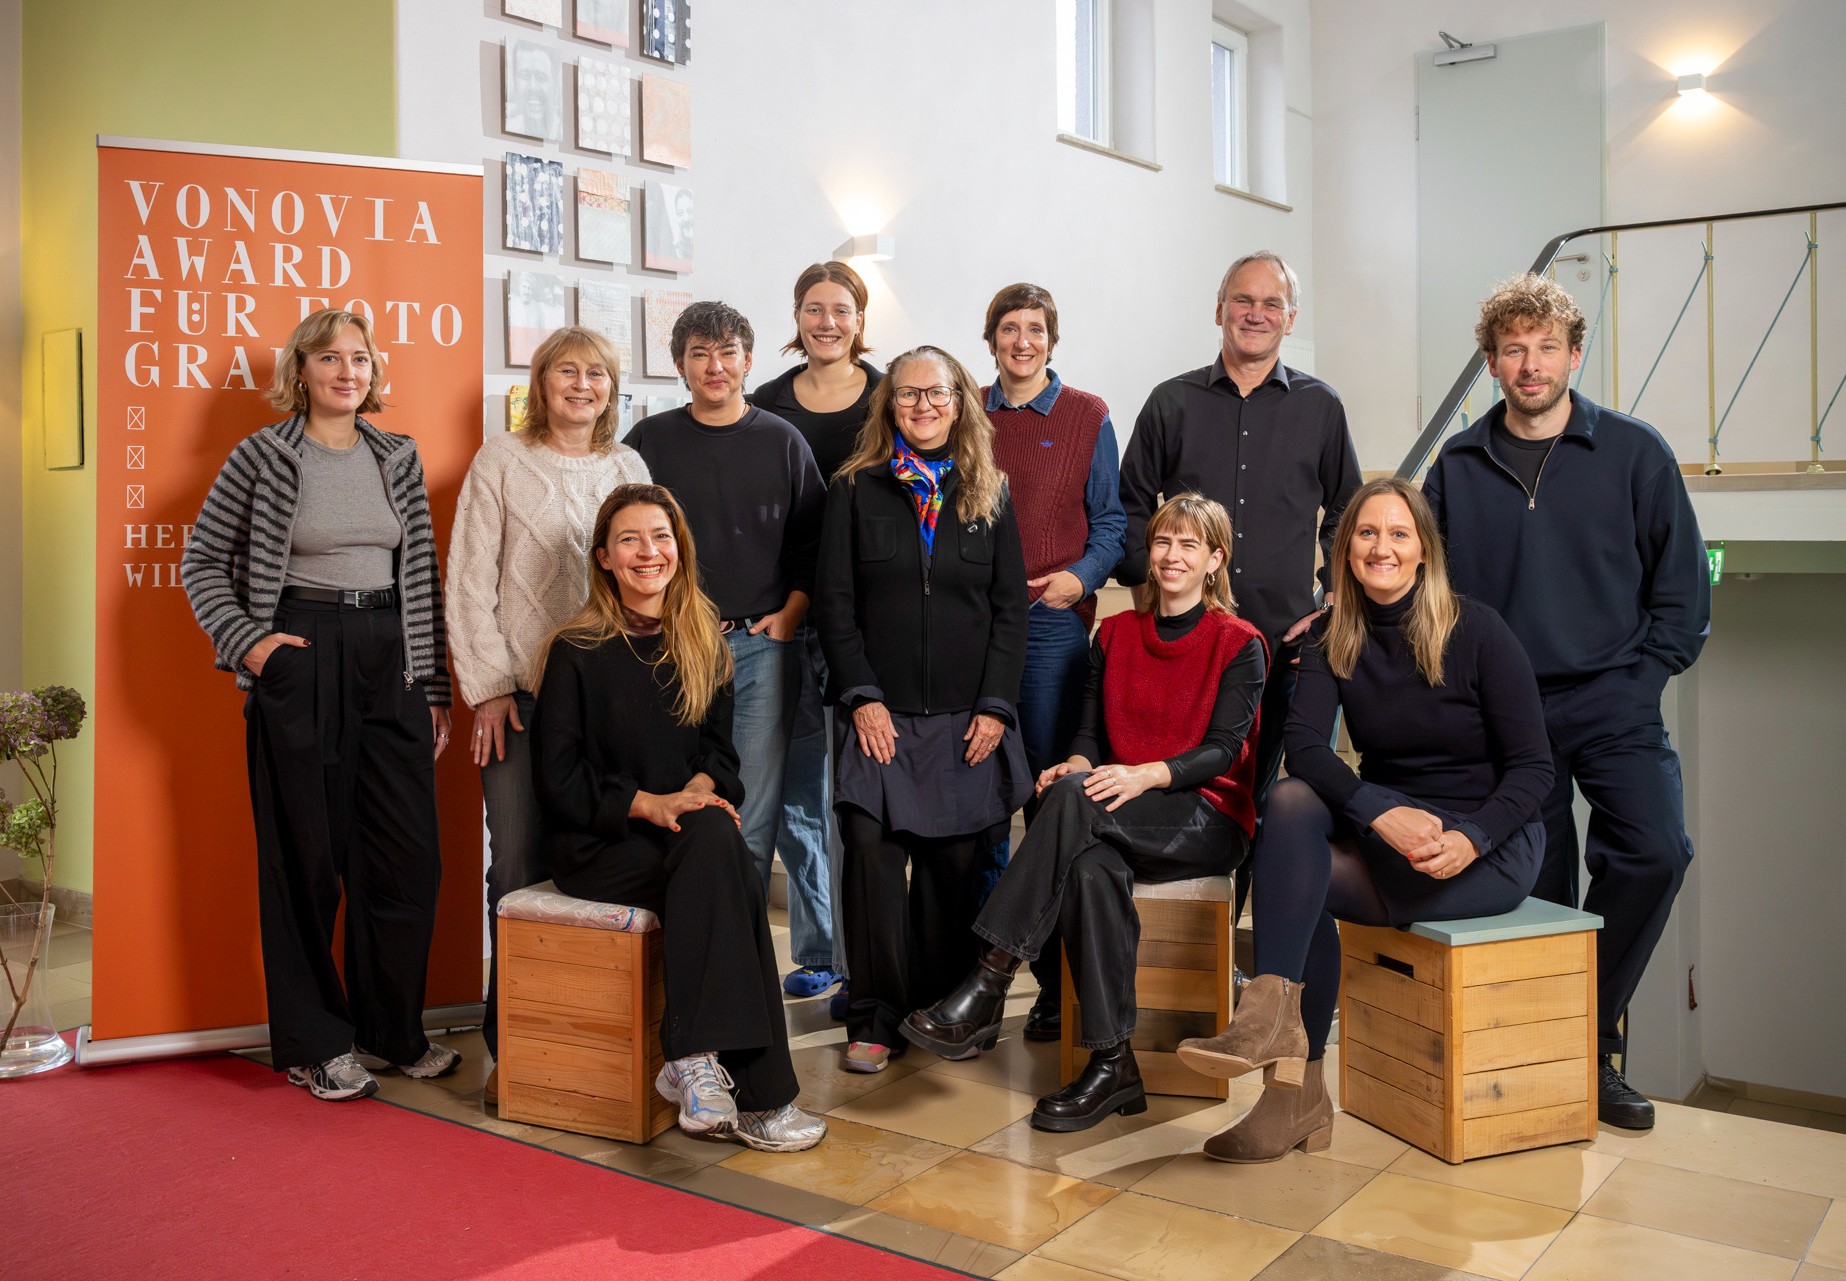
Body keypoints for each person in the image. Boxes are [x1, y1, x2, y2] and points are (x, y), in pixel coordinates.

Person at [1175, 478, 1552, 1161]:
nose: (1382, 546)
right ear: (1346, 550)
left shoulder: (1479, 631)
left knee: (1301, 874)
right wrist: (1382, 814)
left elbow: (1534, 768)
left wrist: (1471, 837)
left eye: (1398, 533)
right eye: (1366, 533)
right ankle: (1277, 1042)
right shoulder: (1328, 636)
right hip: (1393, 832)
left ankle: (1291, 1091)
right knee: (1290, 804)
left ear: (1424, 553)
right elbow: (1310, 748)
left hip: (1483, 843)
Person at [1423, 274, 1709, 1131]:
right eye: (1513, 348)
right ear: (1492, 361)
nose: (1531, 363)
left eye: (1547, 347)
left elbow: (1683, 587)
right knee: (1534, 892)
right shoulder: (1457, 465)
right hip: (1509, 714)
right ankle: (1559, 1064)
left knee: (1656, 851)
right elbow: (1424, 588)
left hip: (1618, 695)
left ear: (1574, 355)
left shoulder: (1633, 450)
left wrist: (1648, 674)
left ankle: (1586, 1038)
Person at [904, 494, 1266, 1131]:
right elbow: (1090, 732)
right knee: (1092, 866)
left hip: (1205, 817)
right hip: (1116, 809)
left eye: (1189, 545)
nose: (1172, 555)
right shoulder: (1117, 632)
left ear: (1215, 560)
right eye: (1163, 542)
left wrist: (1142, 774)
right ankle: (1111, 1064)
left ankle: (991, 977)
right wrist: (1077, 760)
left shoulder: (1240, 643)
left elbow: (1223, 752)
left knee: (1073, 803)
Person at [182, 308, 458, 1101]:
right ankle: (316, 1043)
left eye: (360, 359)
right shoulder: (261, 456)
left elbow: (421, 578)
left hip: (390, 654)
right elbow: (202, 558)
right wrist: (251, 642)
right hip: (300, 650)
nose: (347, 371)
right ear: (299, 370)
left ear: (375, 372)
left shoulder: (396, 454)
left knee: (407, 859)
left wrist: (432, 685)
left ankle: (391, 1032)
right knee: (306, 856)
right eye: (329, 358)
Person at [530, 484, 827, 1152]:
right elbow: (560, 779)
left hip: (684, 836)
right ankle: (760, 1099)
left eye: (661, 536)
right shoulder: (575, 649)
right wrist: (652, 804)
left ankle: (697, 1067)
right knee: (731, 866)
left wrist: (693, 792)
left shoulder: (702, 642)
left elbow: (721, 755)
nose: (649, 552)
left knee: (717, 843)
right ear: (604, 557)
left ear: (679, 549)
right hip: (600, 841)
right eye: (630, 539)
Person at [812, 345, 1030, 1073]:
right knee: (870, 858)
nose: (923, 407)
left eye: (936, 394)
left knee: (951, 866)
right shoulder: (855, 487)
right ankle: (873, 1017)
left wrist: (996, 707)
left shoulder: (989, 490)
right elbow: (835, 605)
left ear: (961, 401)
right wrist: (862, 696)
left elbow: (1009, 611)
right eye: (908, 396)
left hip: (966, 720)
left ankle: (936, 1010)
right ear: (889, 406)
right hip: (877, 714)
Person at [446, 326, 649, 1101]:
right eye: (567, 370)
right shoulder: (501, 460)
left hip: (611, 698)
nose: (582, 384)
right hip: (523, 701)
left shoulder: (628, 465)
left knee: (605, 859)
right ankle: (514, 1042)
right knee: (521, 862)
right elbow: (467, 578)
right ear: (540, 381)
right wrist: (490, 685)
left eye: (597, 372)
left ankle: (597, 1032)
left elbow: (652, 568)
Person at [1118, 251, 1361, 798]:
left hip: (1286, 638)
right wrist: (1146, 591)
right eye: (1242, 300)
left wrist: (1333, 598)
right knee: (1185, 785)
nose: (1256, 313)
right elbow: (1129, 503)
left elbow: (1348, 513)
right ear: (1219, 309)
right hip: (1187, 640)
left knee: (1272, 793)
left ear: (1290, 318)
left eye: (1272, 303)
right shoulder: (1170, 401)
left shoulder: (1322, 406)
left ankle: (1263, 886)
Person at [625, 302, 827, 937]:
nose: (715, 367)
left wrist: (793, 612)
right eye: (699, 355)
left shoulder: (782, 439)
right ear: (680, 366)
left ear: (748, 359)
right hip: (666, 649)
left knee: (751, 806)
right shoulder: (647, 442)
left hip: (760, 649)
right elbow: (621, 537)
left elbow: (814, 544)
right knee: (668, 791)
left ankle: (740, 952)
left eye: (728, 353)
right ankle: (680, 939)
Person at [977, 281, 1126, 1041]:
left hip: (1049, 628)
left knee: (1046, 801)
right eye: (1009, 328)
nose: (1022, 341)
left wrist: (1083, 577)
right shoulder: (965, 409)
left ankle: (1049, 980)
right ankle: (980, 973)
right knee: (978, 802)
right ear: (992, 337)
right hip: (974, 629)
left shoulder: (1087, 415)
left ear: (1051, 338)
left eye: (1035, 329)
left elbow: (1113, 521)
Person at [746, 262, 885, 1003]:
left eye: (840, 309)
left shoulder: (892, 396)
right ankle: (821, 948)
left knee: (865, 796)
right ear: (796, 318)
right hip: (789, 617)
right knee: (803, 792)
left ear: (861, 319)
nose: (826, 321)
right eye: (812, 308)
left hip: (872, 620)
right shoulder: (765, 404)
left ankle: (879, 953)